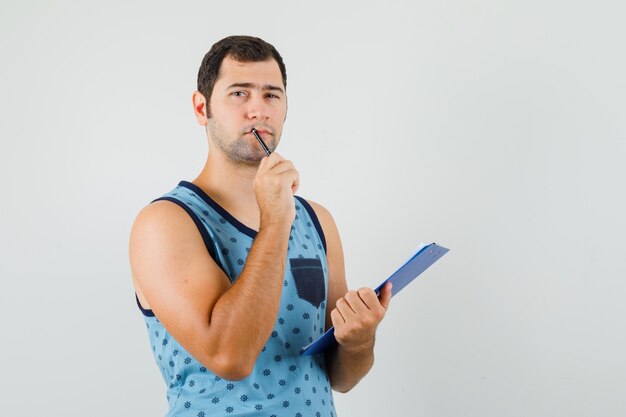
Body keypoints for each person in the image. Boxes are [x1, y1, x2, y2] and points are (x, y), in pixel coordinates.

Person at [129, 35, 393, 417]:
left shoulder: (318, 221)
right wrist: (276, 221)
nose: (259, 110)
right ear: (202, 108)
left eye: (272, 95)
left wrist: (359, 340)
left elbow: (340, 377)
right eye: (239, 94)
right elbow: (230, 357)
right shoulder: (165, 223)